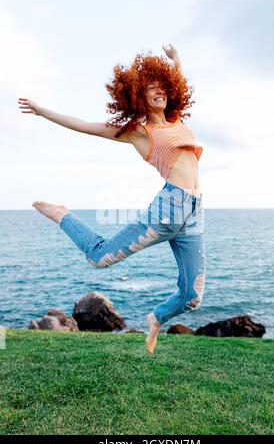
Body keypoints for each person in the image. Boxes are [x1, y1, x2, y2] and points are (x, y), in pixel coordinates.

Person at [18, 43, 206, 354]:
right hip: (168, 210)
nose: (159, 91)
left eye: (163, 86)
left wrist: (176, 61)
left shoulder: (177, 121)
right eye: (151, 89)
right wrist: (42, 111)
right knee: (99, 257)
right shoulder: (139, 132)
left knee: (192, 296)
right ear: (139, 97)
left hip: (195, 213)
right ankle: (62, 214)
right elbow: (86, 126)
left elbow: (178, 81)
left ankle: (156, 318)